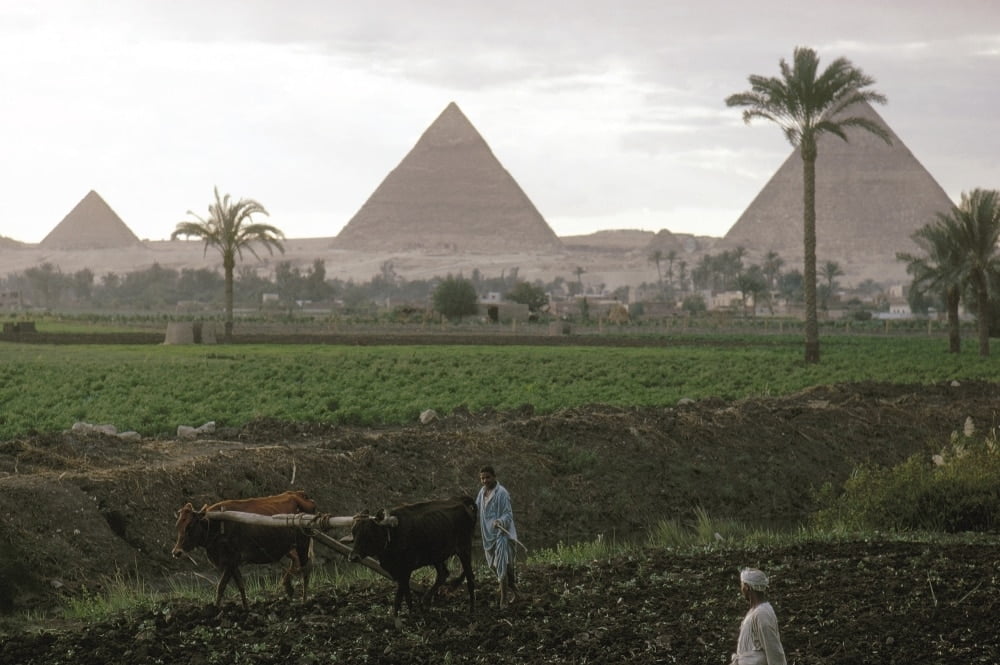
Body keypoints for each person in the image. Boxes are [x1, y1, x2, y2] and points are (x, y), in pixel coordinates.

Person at [475, 464, 519, 607]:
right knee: (493, 567)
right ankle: (516, 592)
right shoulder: (482, 493)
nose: (485, 481)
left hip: (502, 534)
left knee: (501, 566)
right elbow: (476, 508)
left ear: (494, 477)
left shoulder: (502, 493)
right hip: (488, 535)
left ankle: (504, 599)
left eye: (487, 477)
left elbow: (508, 514)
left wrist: (500, 521)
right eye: (482, 478)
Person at [730, 568, 787, 665]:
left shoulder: (761, 614)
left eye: (742, 585)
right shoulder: (755, 611)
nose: (741, 589)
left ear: (747, 587)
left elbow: (773, 649)